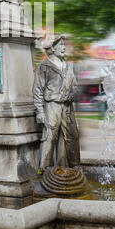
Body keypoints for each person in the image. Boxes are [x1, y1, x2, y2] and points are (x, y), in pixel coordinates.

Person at [33, 35, 80, 171]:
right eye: (61, 45)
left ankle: (69, 165)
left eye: (64, 45)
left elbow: (75, 85)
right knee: (50, 136)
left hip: (67, 106)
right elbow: (37, 90)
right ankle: (45, 168)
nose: (64, 48)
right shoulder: (44, 67)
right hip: (52, 105)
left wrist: (72, 94)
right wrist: (40, 111)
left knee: (71, 135)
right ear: (52, 48)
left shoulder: (68, 66)